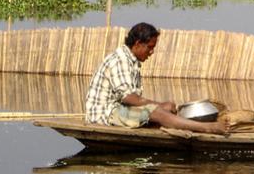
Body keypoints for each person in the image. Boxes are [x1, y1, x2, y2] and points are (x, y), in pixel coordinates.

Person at [84, 22, 226, 134]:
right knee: (157, 112)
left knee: (164, 109)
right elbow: (129, 98)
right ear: (138, 44)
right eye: (150, 47)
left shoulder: (130, 60)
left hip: (117, 110)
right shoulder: (120, 60)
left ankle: (186, 123)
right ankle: (208, 127)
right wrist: (158, 106)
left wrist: (162, 106)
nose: (151, 52)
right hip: (105, 115)